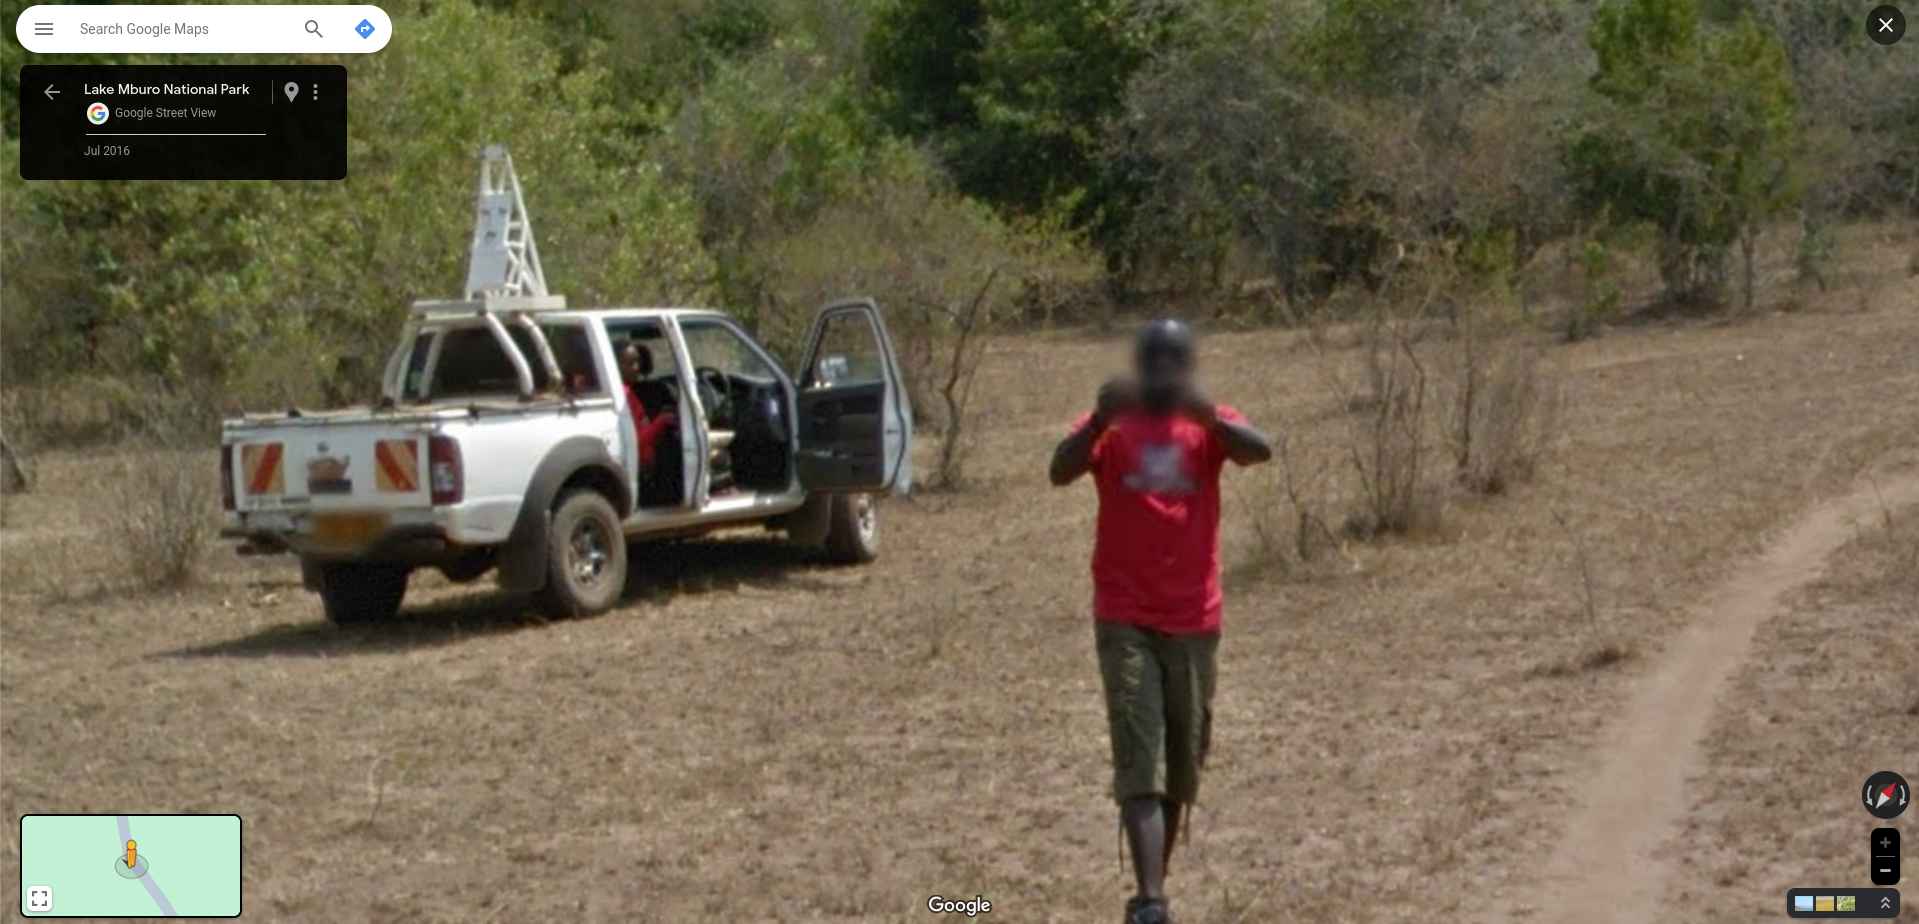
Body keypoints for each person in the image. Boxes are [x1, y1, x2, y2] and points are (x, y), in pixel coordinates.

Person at [1049, 319, 1273, 924]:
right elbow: (1059, 469)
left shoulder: (1207, 424)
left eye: (1177, 362)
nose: (1165, 373)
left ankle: (1151, 893)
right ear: (1141, 364)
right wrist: (1096, 421)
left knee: (1180, 762)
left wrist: (1213, 419)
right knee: (1138, 754)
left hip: (1194, 618)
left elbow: (1261, 448)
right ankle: (1153, 901)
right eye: (1156, 361)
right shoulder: (1115, 421)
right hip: (1125, 616)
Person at [618, 342, 677, 473]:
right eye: (630, 363)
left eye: (638, 361)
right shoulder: (622, 395)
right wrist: (662, 420)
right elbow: (635, 442)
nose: (636, 368)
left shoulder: (631, 391)